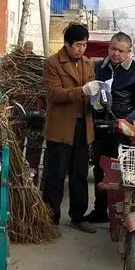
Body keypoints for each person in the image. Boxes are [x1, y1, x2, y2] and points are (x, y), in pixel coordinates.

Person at [85, 32, 135, 223]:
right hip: (100, 128)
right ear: (109, 48)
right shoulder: (98, 68)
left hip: (125, 131)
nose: (116, 54)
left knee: (125, 173)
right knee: (100, 169)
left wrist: (133, 127)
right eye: (113, 48)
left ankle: (124, 212)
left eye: (121, 50)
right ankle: (100, 210)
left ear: (129, 52)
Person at [42, 24, 101, 233]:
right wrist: (81, 91)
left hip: (83, 126)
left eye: (84, 45)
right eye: (78, 45)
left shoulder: (87, 63)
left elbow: (92, 91)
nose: (81, 49)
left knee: (80, 173)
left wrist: (98, 97)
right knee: (55, 175)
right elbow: (54, 94)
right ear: (67, 44)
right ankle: (51, 219)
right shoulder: (53, 64)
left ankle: (78, 216)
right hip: (60, 127)